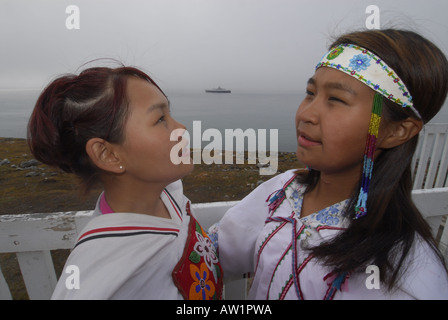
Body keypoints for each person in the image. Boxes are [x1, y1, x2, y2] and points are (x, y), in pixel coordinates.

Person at [209, 29, 448, 299]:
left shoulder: (406, 277)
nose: (306, 114)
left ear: (397, 131)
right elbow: (215, 253)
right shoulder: (283, 191)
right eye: (310, 93)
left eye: (336, 99)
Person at [28, 65, 223, 299]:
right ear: (108, 155)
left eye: (169, 114)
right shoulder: (100, 278)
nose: (181, 128)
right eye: (160, 119)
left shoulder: (169, 194)